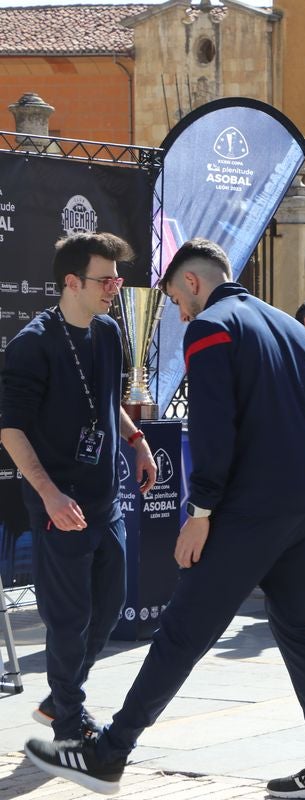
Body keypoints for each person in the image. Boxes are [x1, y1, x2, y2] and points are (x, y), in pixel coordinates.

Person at [24, 238, 305, 798]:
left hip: (251, 510)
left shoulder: (212, 328)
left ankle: (108, 754)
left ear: (194, 283)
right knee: (301, 630)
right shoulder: (294, 327)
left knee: (182, 630)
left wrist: (201, 511)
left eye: (178, 301)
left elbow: (212, 430)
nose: (180, 314)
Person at [0, 233, 157, 742]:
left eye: (118, 276)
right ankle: (70, 720)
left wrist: (137, 440)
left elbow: (105, 402)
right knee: (70, 618)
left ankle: (60, 697)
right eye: (105, 278)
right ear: (72, 282)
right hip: (58, 501)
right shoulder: (34, 343)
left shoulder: (109, 331)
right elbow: (11, 428)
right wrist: (48, 493)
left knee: (108, 610)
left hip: (104, 496)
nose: (115, 285)